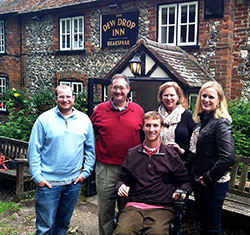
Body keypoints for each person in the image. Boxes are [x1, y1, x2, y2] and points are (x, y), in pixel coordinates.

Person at [27, 85, 95, 234]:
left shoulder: (84, 120)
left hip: (72, 184)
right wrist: (38, 177)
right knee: (45, 228)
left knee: (63, 225)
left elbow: (91, 150)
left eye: (68, 96)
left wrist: (85, 174)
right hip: (48, 184)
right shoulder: (43, 120)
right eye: (61, 97)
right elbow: (34, 150)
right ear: (56, 98)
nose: (65, 100)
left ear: (73, 98)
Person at [113, 111, 192, 235]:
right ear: (143, 127)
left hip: (162, 207)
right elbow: (121, 179)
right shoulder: (133, 154)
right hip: (134, 206)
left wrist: (182, 191)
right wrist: (120, 186)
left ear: (161, 128)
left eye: (155, 125)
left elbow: (185, 181)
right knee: (122, 232)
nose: (151, 129)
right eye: (148, 125)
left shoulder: (170, 155)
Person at [90, 74, 144, 235]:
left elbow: (145, 138)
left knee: (127, 208)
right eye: (115, 87)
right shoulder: (100, 110)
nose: (118, 91)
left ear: (128, 89)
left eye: (122, 87)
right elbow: (89, 136)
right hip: (105, 167)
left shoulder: (138, 110)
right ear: (110, 89)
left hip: (130, 169)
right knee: (105, 208)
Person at [190, 81, 235, 235]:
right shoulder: (203, 120)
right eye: (204, 96)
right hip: (201, 182)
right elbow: (200, 152)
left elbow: (227, 157)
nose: (206, 100)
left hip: (213, 184)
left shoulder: (220, 123)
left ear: (219, 100)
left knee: (212, 228)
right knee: (205, 224)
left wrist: (208, 179)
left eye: (211, 97)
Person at [157, 82, 196, 170]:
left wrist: (182, 150)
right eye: (165, 95)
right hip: (158, 165)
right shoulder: (155, 115)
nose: (169, 98)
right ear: (161, 97)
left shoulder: (187, 116)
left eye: (172, 95)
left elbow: (194, 142)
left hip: (181, 165)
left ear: (178, 96)